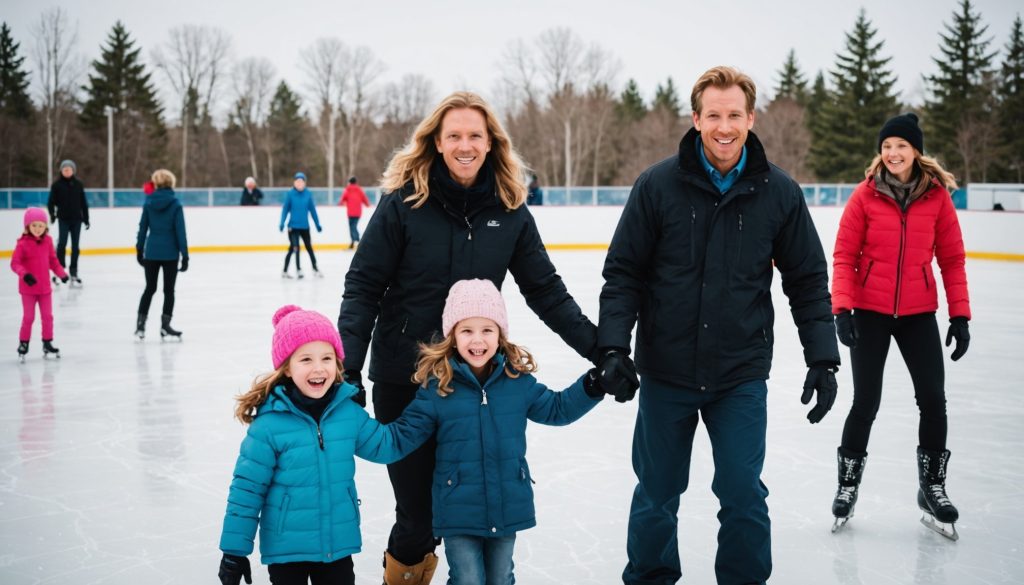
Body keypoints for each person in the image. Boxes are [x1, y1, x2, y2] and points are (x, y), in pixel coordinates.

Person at [337, 90, 599, 584]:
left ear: (490, 143)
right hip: (405, 377)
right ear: (436, 142)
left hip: (475, 384)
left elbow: (545, 290)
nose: (464, 144)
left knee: (474, 514)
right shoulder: (403, 205)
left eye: (474, 135)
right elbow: (364, 286)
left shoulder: (510, 211)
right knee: (417, 518)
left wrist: (600, 349)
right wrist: (348, 366)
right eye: (453, 135)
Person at [597, 66, 839, 585]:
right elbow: (623, 274)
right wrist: (613, 348)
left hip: (739, 374)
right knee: (657, 491)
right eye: (714, 115)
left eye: (734, 115)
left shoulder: (780, 193)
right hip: (667, 371)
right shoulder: (658, 185)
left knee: (742, 491)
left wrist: (823, 357)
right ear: (696, 118)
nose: (724, 126)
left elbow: (807, 280)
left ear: (751, 118)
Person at [393, 279, 607, 584]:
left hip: (506, 504)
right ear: (452, 336)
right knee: (468, 580)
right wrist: (353, 429)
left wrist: (593, 385)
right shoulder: (437, 387)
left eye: (487, 330)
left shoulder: (516, 382)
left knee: (501, 577)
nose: (477, 340)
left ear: (500, 335)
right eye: (466, 330)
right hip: (457, 510)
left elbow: (557, 409)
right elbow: (401, 437)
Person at [829, 112, 970, 541]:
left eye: (901, 146)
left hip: (917, 312)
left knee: (933, 399)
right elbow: (843, 256)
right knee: (865, 401)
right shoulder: (865, 196)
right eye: (887, 146)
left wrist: (960, 315)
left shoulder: (937, 199)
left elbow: (952, 259)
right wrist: (843, 309)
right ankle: (847, 485)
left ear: (916, 152)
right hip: (869, 312)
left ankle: (932, 488)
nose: (892, 153)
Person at [217, 305, 424, 585]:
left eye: (327, 358)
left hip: (337, 547)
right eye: (305, 359)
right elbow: (247, 489)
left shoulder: (347, 414)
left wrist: (427, 406)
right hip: (286, 553)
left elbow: (387, 445)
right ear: (287, 368)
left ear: (338, 365)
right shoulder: (269, 425)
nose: (318, 368)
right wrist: (234, 551)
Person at [135, 169, 189, 341]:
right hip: (170, 254)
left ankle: (140, 327)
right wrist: (185, 255)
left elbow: (143, 228)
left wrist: (139, 249)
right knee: (168, 291)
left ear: (156, 183)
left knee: (149, 289)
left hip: (151, 252)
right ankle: (165, 326)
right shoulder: (175, 204)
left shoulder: (148, 202)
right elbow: (181, 232)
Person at [11, 207, 68, 361]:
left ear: (45, 227)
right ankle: (24, 343)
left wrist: (62, 274)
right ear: (27, 226)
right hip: (28, 289)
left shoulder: (48, 241)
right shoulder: (22, 244)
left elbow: (53, 261)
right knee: (29, 318)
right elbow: (14, 263)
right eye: (34, 225)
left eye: (41, 226)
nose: (37, 229)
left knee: (48, 317)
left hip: (45, 289)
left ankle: (47, 342)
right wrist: (25, 274)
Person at [47, 159, 89, 287]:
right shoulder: (56, 185)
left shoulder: (79, 184)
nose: (67, 171)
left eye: (69, 169)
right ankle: (60, 271)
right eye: (65, 169)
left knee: (75, 247)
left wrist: (86, 218)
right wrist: (53, 215)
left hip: (77, 220)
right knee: (62, 244)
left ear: (73, 170)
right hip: (63, 219)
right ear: (61, 171)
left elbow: (83, 203)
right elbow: (50, 203)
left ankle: (73, 272)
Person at [280, 171, 323, 279]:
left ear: (304, 183)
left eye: (301, 182)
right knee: (295, 248)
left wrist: (317, 224)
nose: (299, 184)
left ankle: (315, 268)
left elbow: (312, 211)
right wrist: (282, 222)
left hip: (304, 227)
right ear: (294, 183)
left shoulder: (308, 194)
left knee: (309, 248)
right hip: (293, 227)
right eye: (297, 182)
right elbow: (285, 210)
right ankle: (298, 269)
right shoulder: (290, 194)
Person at [338, 176, 370, 249]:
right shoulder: (359, 190)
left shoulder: (348, 189)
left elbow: (343, 198)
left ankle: (358, 241)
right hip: (358, 212)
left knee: (352, 227)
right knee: (353, 226)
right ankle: (353, 242)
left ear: (350, 182)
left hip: (350, 213)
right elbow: (364, 198)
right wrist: (367, 204)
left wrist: (340, 203)